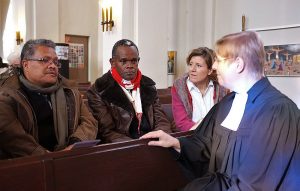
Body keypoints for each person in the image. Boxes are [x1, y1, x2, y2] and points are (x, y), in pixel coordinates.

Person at [141, 31, 300, 190]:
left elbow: (257, 184)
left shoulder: (277, 111)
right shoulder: (228, 103)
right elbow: (206, 144)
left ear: (238, 64)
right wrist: (176, 142)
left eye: (219, 60)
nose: (214, 66)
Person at [0, 39, 98, 159]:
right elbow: (12, 137)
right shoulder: (7, 94)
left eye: (56, 62)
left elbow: (89, 122)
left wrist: (75, 144)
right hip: (26, 165)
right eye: (45, 60)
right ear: (26, 64)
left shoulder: (69, 90)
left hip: (69, 158)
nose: (52, 66)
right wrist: (48, 158)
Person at [87, 39, 173, 143]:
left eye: (134, 61)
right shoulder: (99, 89)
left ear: (138, 61)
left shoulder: (148, 85)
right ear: (112, 62)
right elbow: (106, 131)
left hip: (152, 142)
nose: (130, 66)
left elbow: (161, 120)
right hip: (122, 147)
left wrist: (158, 138)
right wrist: (135, 146)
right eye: (123, 61)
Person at [172, 47, 227, 131]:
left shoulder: (221, 87)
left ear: (210, 70)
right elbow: (181, 123)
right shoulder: (179, 87)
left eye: (198, 65)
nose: (192, 69)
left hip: (217, 136)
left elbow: (225, 118)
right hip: (190, 136)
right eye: (190, 64)